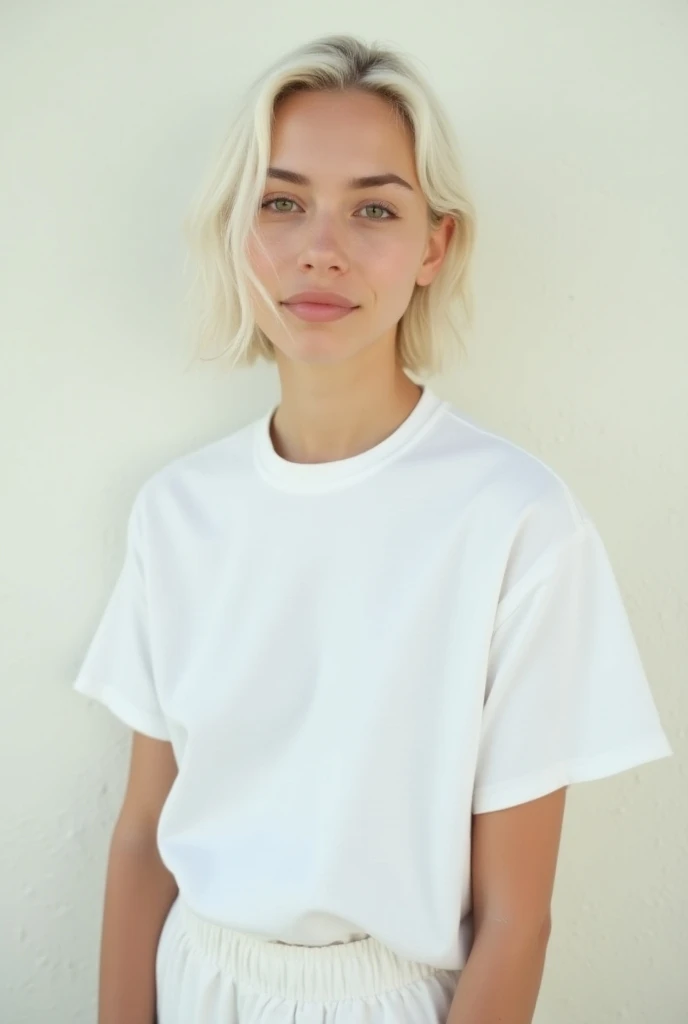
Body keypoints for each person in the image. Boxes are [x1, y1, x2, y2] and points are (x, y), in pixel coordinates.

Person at [72, 33, 672, 1024]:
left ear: (434, 245)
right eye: (281, 201)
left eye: (375, 209)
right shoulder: (178, 510)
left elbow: (517, 917)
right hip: (195, 981)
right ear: (237, 229)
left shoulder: (515, 519)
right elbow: (142, 832)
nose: (321, 246)